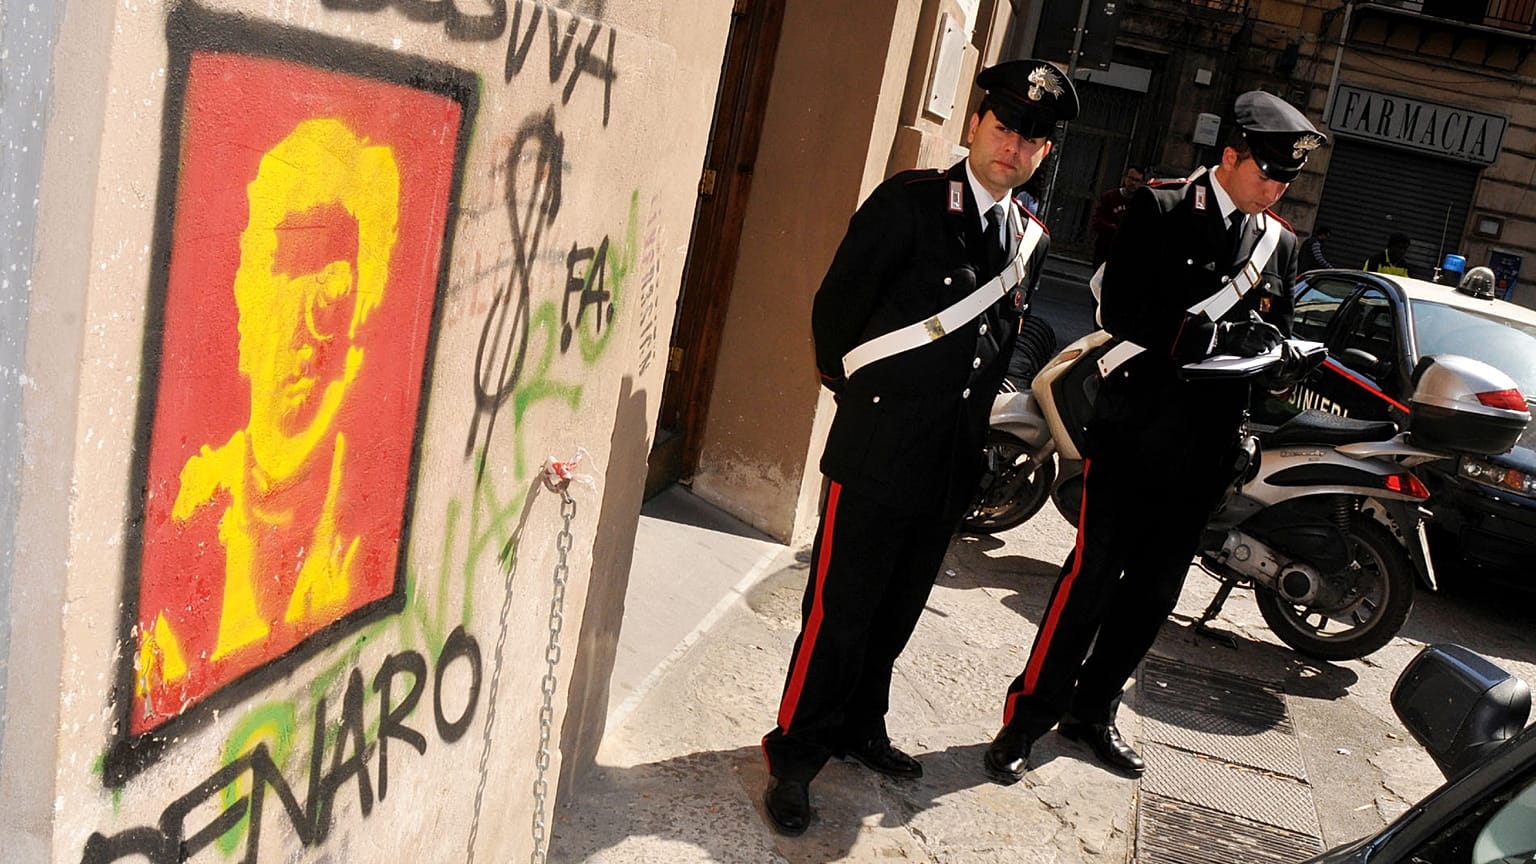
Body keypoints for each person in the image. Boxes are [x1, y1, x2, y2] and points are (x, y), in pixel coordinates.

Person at [761, 59, 1079, 835]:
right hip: (878, 448)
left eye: (1031, 138)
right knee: (840, 613)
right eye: (1004, 126)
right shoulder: (909, 203)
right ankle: (796, 754)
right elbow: (837, 313)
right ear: (975, 127)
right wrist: (870, 402)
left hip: (950, 460)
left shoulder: (1029, 235)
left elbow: (999, 342)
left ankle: (860, 728)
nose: (1013, 145)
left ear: (1043, 154)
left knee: (896, 613)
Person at [983, 91, 1325, 785]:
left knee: (1154, 593)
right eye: (1266, 171)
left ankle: (1093, 710)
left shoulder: (1280, 244)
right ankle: (1027, 717)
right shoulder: (1164, 208)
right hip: (1136, 431)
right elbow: (1121, 305)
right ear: (1228, 156)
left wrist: (1281, 367)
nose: (1275, 187)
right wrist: (1204, 335)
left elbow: (1273, 334)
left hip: (1205, 450)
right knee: (1091, 580)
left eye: (1286, 179)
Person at [1089, 165, 1145, 265]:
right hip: (1105, 249)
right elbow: (1096, 220)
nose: (1133, 183)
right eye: (1131, 179)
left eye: (1137, 181)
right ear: (1124, 178)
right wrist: (1112, 228)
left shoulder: (1142, 204)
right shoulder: (1110, 197)